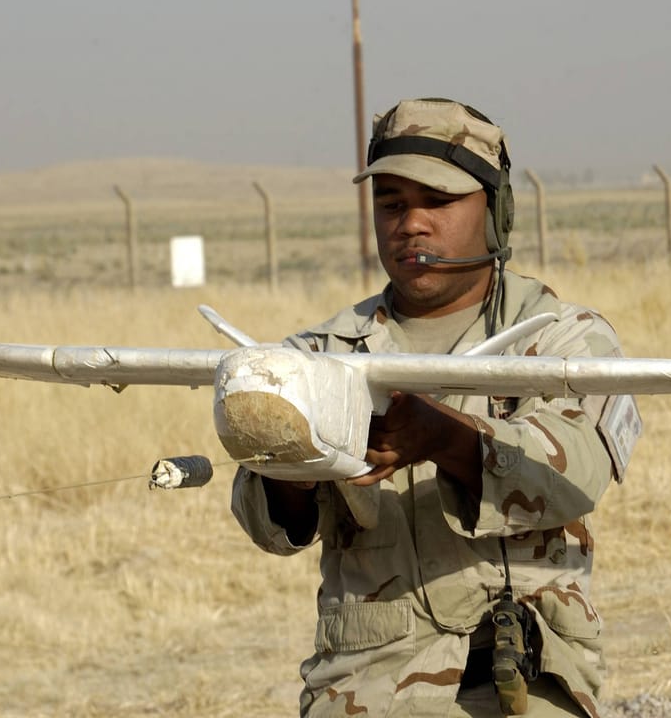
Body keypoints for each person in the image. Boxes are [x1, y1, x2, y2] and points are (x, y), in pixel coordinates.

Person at [231, 97, 640, 717]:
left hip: (523, 690)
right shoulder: (320, 355)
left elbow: (577, 475)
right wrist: (296, 453)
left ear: (497, 213)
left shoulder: (561, 338)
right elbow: (270, 526)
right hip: (365, 694)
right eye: (392, 204)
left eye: (439, 202)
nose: (411, 224)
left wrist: (443, 437)